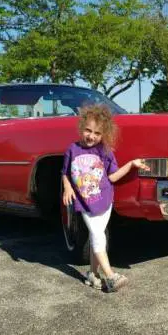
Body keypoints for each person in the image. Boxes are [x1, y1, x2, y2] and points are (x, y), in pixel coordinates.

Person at [61, 104, 149, 292]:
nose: (91, 136)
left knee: (97, 236)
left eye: (97, 133)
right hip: (85, 202)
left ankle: (93, 274)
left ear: (104, 135)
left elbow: (112, 177)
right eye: (88, 130)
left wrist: (131, 164)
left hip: (105, 200)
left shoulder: (104, 151)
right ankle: (110, 276)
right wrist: (67, 188)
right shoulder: (73, 149)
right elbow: (65, 172)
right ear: (81, 127)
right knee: (97, 234)